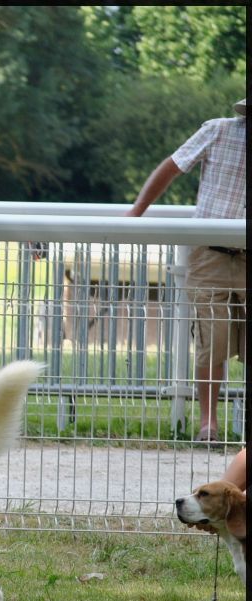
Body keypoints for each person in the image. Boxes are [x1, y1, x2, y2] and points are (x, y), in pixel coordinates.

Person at [126, 97, 246, 443]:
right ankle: (209, 423)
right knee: (213, 339)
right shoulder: (219, 130)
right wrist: (137, 213)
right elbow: (172, 166)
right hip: (210, 252)